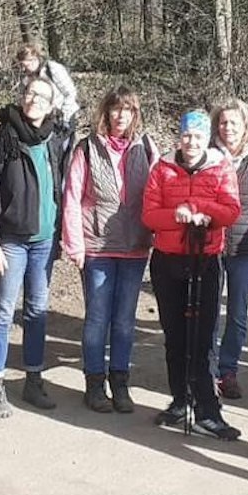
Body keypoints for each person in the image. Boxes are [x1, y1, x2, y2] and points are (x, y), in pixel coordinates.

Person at [141, 110, 243, 439]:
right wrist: (178, 214)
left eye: (198, 136)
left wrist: (204, 213)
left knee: (202, 338)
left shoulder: (220, 166)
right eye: (186, 136)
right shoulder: (163, 168)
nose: (191, 142)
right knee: (175, 336)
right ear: (179, 136)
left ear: (206, 138)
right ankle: (178, 399)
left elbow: (231, 209)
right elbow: (150, 215)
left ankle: (206, 408)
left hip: (205, 259)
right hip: (168, 259)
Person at [62, 85, 159, 412]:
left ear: (135, 114)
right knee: (98, 318)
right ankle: (94, 382)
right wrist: (74, 244)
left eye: (128, 110)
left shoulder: (145, 148)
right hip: (98, 246)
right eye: (116, 109)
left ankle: (120, 382)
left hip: (135, 247)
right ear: (106, 112)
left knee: (124, 321)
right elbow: (72, 197)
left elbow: (159, 193)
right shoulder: (87, 149)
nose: (121, 116)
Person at [0, 77, 70, 414]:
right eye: (30, 93)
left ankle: (33, 380)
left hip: (44, 242)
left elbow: (60, 189)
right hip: (12, 241)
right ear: (22, 96)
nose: (34, 100)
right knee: (2, 312)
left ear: (51, 104)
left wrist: (61, 235)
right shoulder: (2, 139)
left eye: (42, 96)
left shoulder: (55, 140)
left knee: (37, 312)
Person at [209, 97, 248, 401]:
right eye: (223, 122)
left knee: (237, 313)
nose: (227, 127)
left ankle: (228, 369)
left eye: (233, 122)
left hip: (245, 247)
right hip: (210, 245)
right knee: (207, 311)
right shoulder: (206, 156)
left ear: (246, 125)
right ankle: (207, 370)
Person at [14, 42, 80, 126]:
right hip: (45, 120)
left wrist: (64, 117)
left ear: (34, 59)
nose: (23, 69)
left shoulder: (53, 68)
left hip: (64, 116)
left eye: (25, 65)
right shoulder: (27, 79)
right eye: (21, 66)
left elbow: (70, 93)